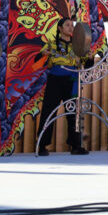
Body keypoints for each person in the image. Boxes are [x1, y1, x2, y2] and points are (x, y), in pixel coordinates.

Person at [36, 18, 89, 156]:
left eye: (72, 25)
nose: (71, 27)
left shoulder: (78, 46)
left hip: (72, 80)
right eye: (67, 25)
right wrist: (43, 55)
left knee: (73, 112)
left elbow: (86, 63)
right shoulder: (51, 44)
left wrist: (86, 58)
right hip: (55, 80)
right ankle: (42, 145)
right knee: (49, 111)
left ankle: (76, 145)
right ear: (60, 28)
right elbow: (38, 60)